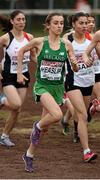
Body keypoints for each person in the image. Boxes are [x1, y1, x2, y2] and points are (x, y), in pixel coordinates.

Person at [17, 12, 79, 172]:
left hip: (58, 88)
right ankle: (36, 126)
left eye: (61, 23)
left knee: (45, 129)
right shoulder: (39, 42)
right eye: (56, 23)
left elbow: (75, 67)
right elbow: (21, 51)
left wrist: (74, 63)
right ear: (48, 25)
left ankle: (29, 155)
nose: (59, 26)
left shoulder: (67, 45)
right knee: (57, 115)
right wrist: (19, 73)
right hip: (42, 86)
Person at [64, 12, 97, 163]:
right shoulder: (67, 39)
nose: (85, 26)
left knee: (81, 116)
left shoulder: (93, 39)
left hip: (88, 81)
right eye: (81, 23)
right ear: (74, 24)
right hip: (72, 81)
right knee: (83, 115)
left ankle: (70, 122)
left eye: (86, 23)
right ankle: (86, 151)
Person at [0, 10, 34, 147]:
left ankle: (4, 136)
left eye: (23, 19)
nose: (21, 22)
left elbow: (32, 56)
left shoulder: (29, 37)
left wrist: (44, 63)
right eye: (18, 19)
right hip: (8, 75)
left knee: (17, 109)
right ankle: (1, 99)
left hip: (24, 75)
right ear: (12, 21)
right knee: (16, 104)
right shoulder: (5, 38)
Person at [83, 30, 100, 114]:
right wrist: (86, 59)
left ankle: (95, 107)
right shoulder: (98, 35)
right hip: (93, 72)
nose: (91, 24)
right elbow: (85, 53)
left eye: (92, 22)